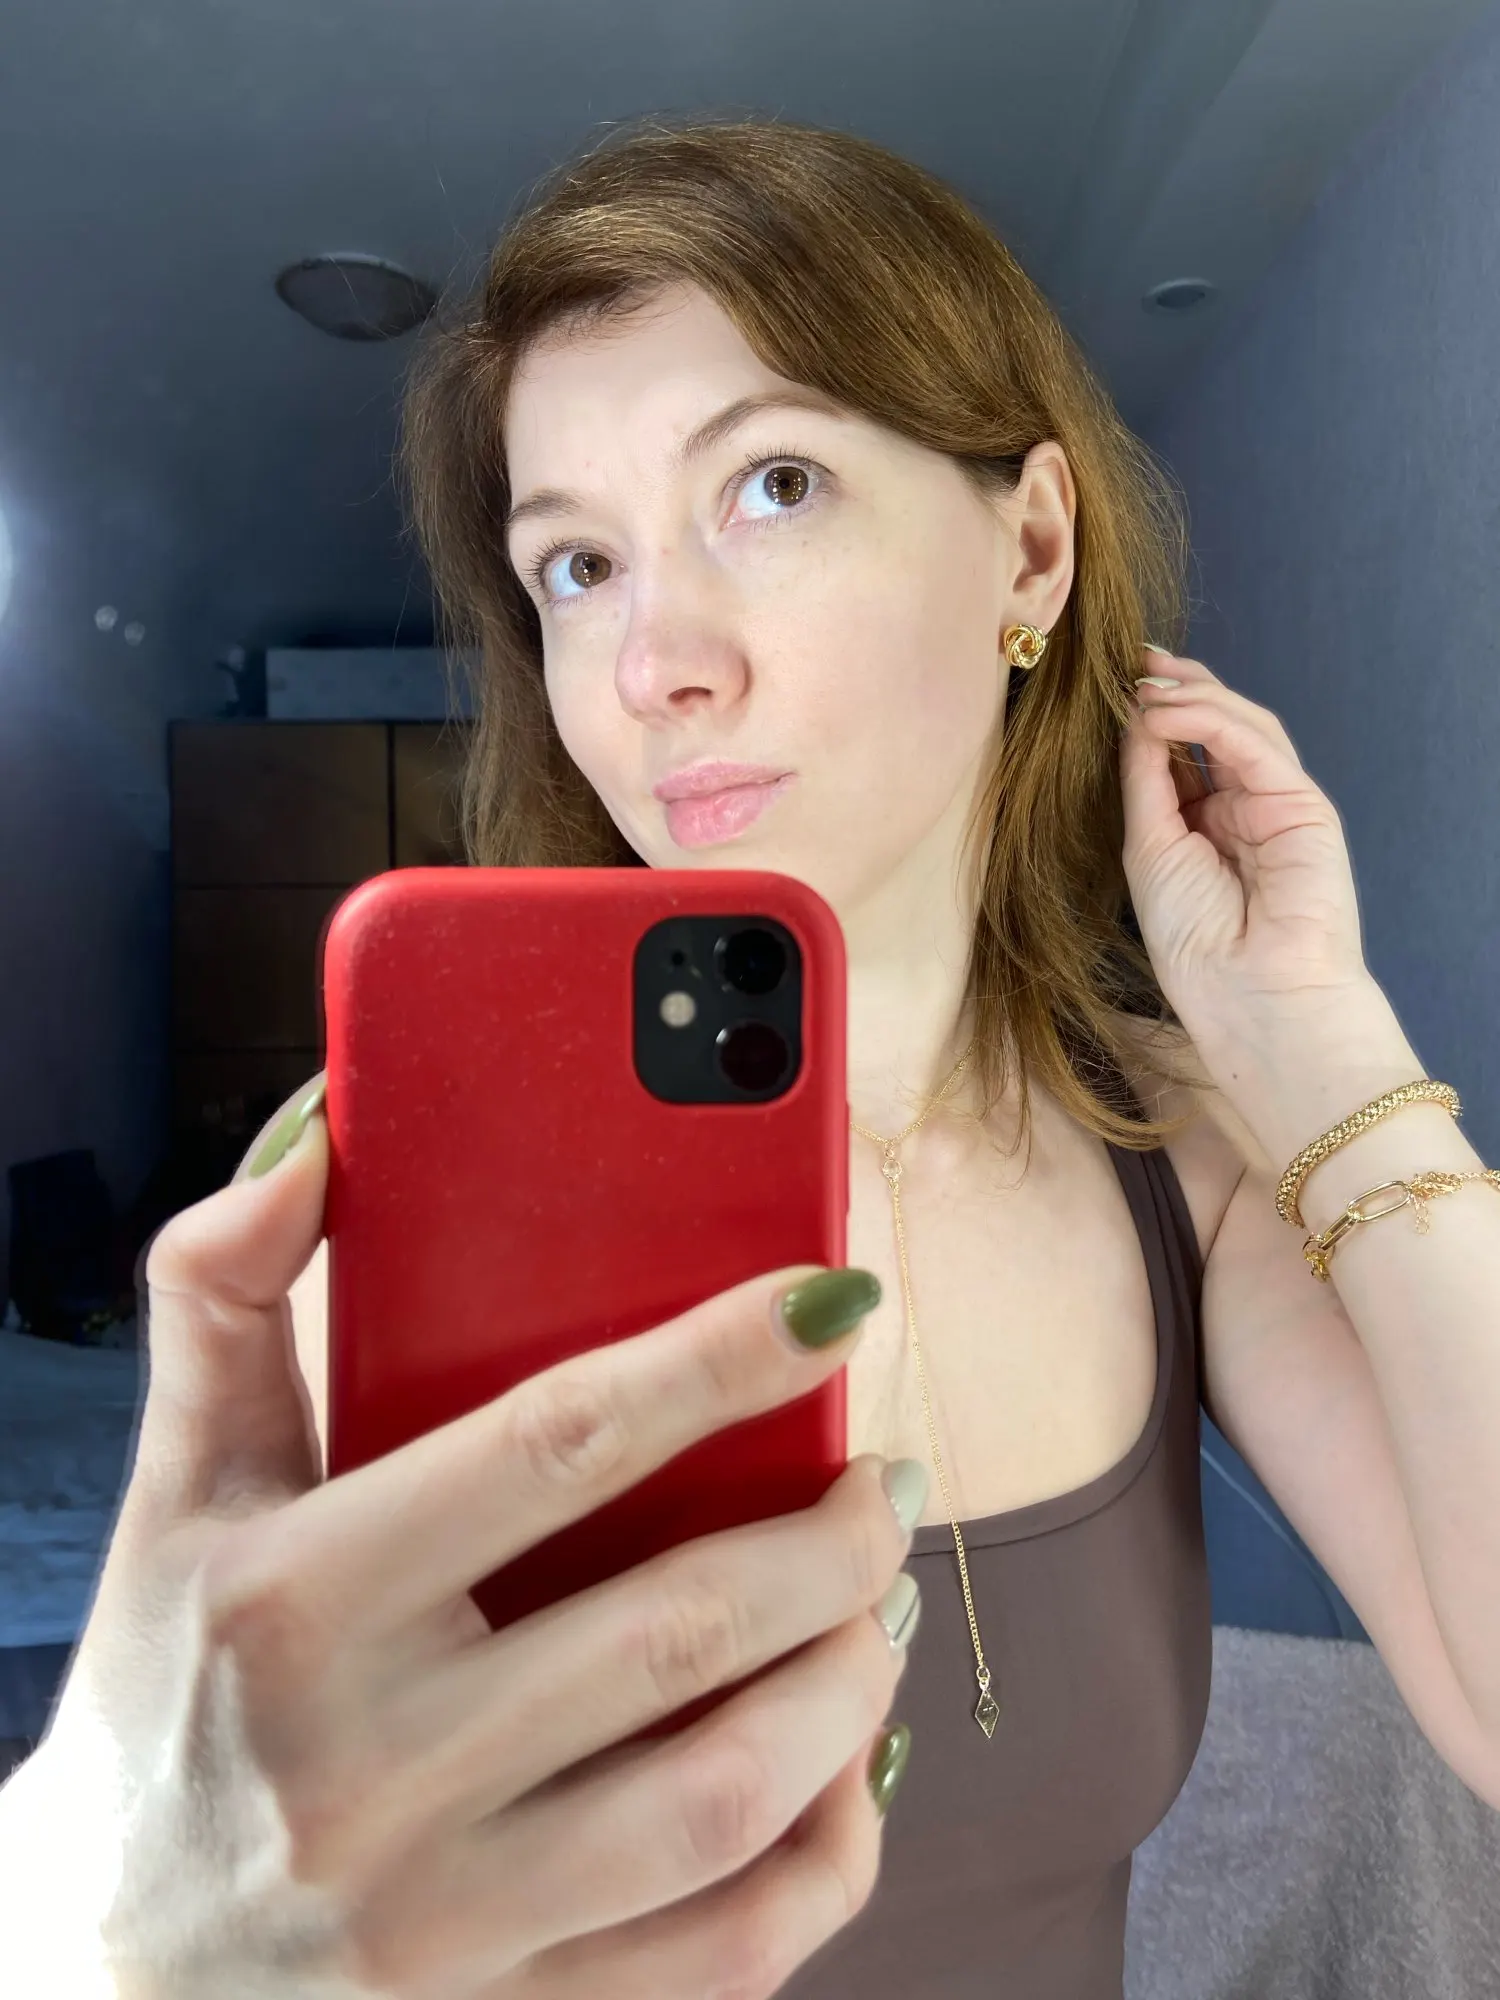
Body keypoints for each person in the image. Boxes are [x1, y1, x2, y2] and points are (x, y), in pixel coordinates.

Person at [0, 114, 1230, 1997]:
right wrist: (89, 1937)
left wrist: (1326, 1033)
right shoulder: (371, 1189)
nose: (656, 663)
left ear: (1032, 548)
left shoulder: (1187, 1130)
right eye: (575, 567)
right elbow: (220, 1830)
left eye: (774, 485)